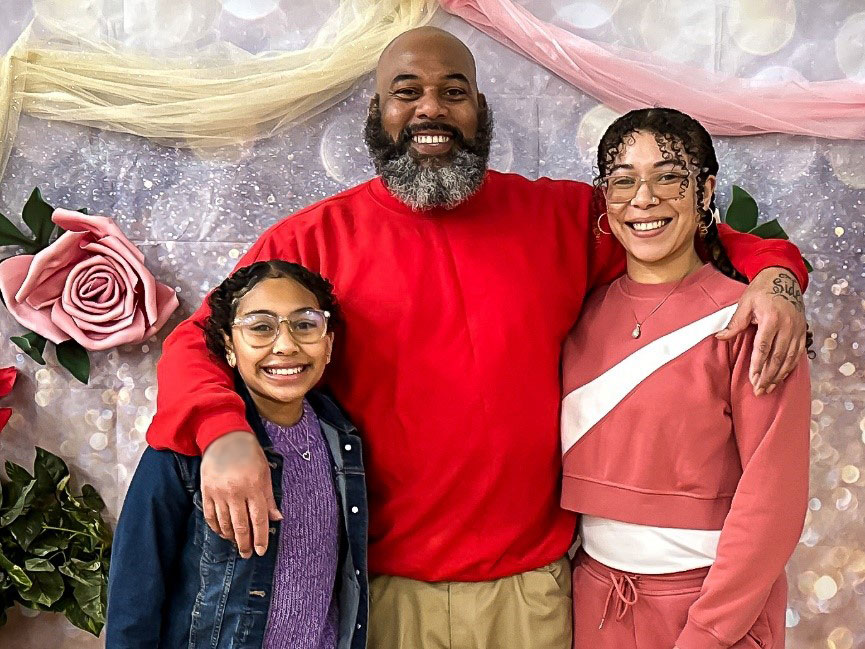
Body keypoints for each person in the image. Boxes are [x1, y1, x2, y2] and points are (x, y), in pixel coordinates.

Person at [145, 27, 809, 649]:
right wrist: (223, 431)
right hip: (383, 590)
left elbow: (686, 234)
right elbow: (200, 341)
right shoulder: (308, 242)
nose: (431, 108)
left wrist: (777, 276)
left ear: (479, 108)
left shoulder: (561, 220)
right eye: (407, 92)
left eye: (452, 91)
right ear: (376, 112)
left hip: (535, 591)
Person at [560, 108, 810, 649]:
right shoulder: (578, 312)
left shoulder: (751, 319)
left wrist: (709, 632)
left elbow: (774, 497)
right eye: (623, 180)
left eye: (669, 176)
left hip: (712, 613)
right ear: (605, 198)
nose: (643, 198)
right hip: (594, 603)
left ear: (705, 190)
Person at [107, 261, 368, 649]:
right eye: (261, 327)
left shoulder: (342, 439)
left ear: (328, 342)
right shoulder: (185, 453)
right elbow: (134, 595)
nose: (286, 345)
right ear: (229, 345)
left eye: (305, 324)